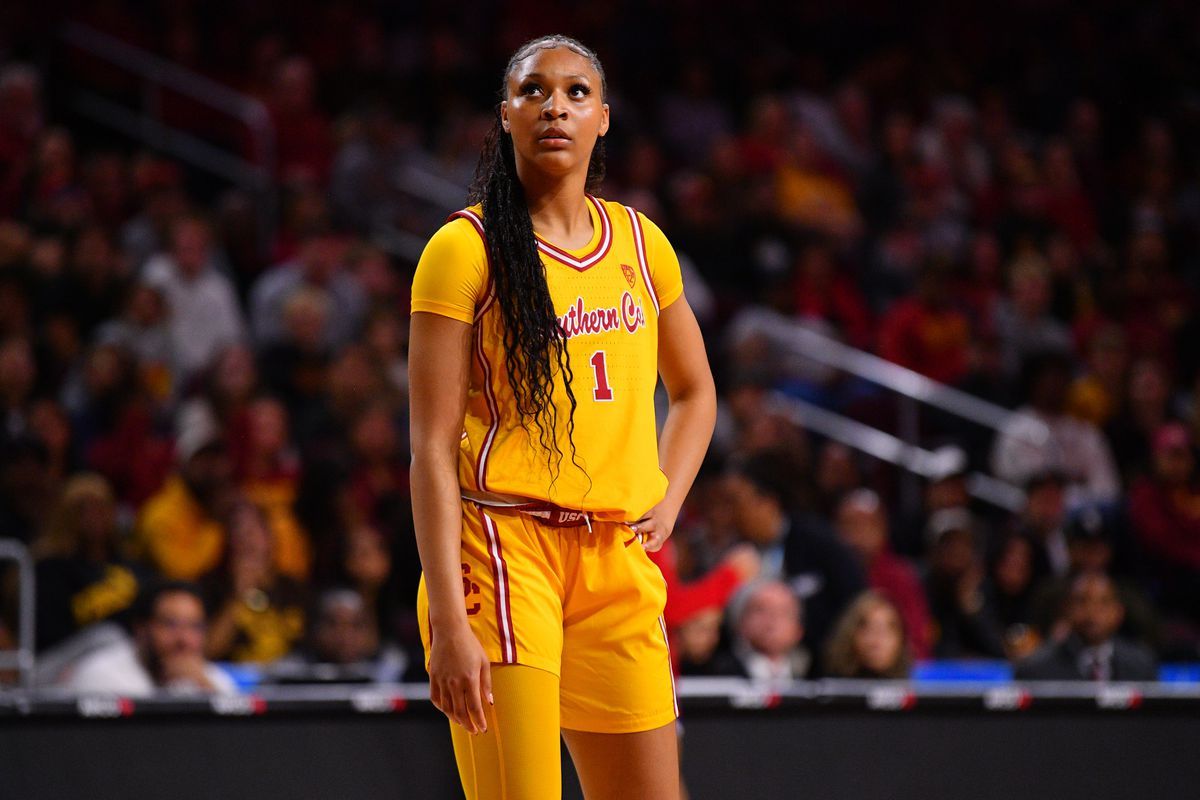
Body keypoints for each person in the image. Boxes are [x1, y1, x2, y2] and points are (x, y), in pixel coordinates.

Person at [408, 36, 715, 800]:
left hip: (616, 559)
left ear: (604, 119)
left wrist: (668, 499)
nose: (555, 107)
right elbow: (430, 448)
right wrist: (449, 619)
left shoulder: (643, 246)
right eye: (533, 91)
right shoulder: (463, 248)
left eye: (577, 93)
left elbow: (697, 392)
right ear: (505, 115)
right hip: (502, 552)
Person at [60, 580, 238, 696]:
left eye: (194, 627)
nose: (184, 639)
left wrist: (205, 687)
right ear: (141, 629)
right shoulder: (101, 676)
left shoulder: (206, 679)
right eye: (170, 625)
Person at [1014, 571, 1158, 682]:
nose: (1092, 612)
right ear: (1066, 609)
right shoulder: (1036, 669)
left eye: (1103, 603)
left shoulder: (1141, 665)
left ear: (1118, 612)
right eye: (1081, 602)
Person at [711, 579, 810, 682]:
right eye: (761, 610)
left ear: (799, 630)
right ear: (740, 621)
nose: (772, 621)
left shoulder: (811, 680)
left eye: (783, 612)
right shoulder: (718, 676)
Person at [823, 591, 913, 679]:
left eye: (887, 629)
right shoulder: (829, 689)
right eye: (868, 629)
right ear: (849, 635)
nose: (877, 640)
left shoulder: (917, 689)